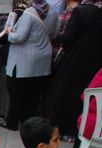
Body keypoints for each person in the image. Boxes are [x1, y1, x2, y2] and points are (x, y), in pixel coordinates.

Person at [43, 0, 102, 140]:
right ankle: (73, 130)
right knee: (83, 97)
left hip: (74, 60)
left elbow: (68, 37)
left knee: (62, 92)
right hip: (94, 62)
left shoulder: (80, 11)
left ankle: (59, 128)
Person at [2, 0, 59, 131]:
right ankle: (29, 123)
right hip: (43, 61)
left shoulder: (29, 13)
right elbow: (55, 33)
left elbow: (19, 37)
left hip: (23, 61)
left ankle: (12, 122)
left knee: (17, 93)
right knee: (34, 96)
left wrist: (8, 32)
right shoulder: (53, 11)